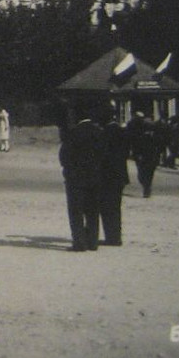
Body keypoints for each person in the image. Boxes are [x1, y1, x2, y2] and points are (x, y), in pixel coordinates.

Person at [58, 108, 105, 252]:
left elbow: (64, 156)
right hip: (95, 176)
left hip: (76, 178)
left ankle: (79, 242)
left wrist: (69, 170)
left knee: (76, 211)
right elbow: (104, 155)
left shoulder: (73, 133)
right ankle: (93, 241)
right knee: (93, 211)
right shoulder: (99, 133)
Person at [99, 105, 129, 245]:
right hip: (120, 174)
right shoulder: (122, 131)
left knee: (107, 207)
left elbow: (103, 155)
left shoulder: (105, 133)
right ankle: (115, 236)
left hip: (107, 175)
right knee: (115, 207)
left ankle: (111, 237)